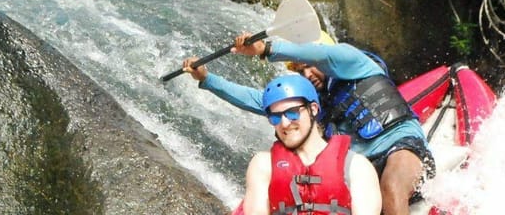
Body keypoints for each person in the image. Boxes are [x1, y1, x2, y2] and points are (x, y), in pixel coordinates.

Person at [182, 31, 435, 215]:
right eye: (301, 72)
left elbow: (322, 53)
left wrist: (267, 49)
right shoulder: (311, 104)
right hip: (362, 166)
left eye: (310, 68)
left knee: (390, 188)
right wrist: (206, 79)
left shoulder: (355, 62)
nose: (307, 75)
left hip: (401, 144)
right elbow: (262, 101)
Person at [242, 74, 381, 215]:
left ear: (313, 109)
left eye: (292, 113)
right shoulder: (263, 165)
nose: (284, 123)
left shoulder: (357, 167)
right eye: (275, 117)